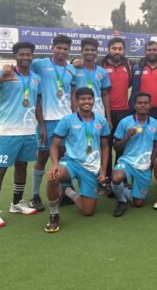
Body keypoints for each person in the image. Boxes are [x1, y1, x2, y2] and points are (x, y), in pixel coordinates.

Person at [0, 42, 42, 227]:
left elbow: (37, 104)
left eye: (29, 54)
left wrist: (42, 127)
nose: (26, 57)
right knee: (0, 169)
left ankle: (16, 203)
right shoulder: (4, 73)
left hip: (29, 131)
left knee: (21, 167)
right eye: (22, 54)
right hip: (7, 131)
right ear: (15, 56)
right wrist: (1, 80)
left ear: (32, 56)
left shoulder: (36, 78)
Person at [44, 87, 110, 232]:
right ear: (77, 101)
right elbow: (54, 146)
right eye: (83, 99)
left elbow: (105, 147)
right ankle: (54, 214)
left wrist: (104, 171)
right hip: (71, 163)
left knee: (87, 211)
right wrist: (55, 164)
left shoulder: (101, 120)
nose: (86, 102)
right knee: (53, 176)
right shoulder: (67, 120)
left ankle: (68, 191)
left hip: (90, 168)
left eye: (89, 98)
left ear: (94, 100)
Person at [29, 34, 76, 211]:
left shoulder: (71, 69)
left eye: (65, 49)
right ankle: (35, 195)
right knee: (42, 157)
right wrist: (41, 125)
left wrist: (74, 118)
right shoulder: (40, 64)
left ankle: (65, 191)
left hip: (66, 121)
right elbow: (21, 65)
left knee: (65, 156)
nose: (62, 51)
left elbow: (72, 95)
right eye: (59, 48)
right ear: (52, 48)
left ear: (69, 51)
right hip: (47, 121)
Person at [110, 92, 157, 217]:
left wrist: (151, 162)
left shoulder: (155, 123)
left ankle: (125, 190)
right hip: (127, 161)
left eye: (145, 103)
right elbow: (116, 146)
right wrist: (127, 137)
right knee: (116, 178)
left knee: (138, 203)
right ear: (134, 105)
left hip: (144, 165)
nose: (142, 105)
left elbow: (155, 145)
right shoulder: (125, 122)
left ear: (150, 105)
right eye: (140, 103)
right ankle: (121, 200)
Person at [99, 37, 134, 186]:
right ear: (109, 49)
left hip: (124, 112)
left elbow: (130, 83)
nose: (117, 51)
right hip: (105, 113)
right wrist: (75, 61)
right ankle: (106, 178)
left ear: (124, 50)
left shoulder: (129, 65)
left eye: (120, 49)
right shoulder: (100, 64)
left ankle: (120, 178)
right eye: (114, 48)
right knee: (105, 146)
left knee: (122, 146)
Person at [130, 40, 157, 120]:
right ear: (145, 52)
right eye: (149, 50)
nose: (152, 52)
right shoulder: (137, 68)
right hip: (141, 111)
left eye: (154, 50)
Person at [75, 38, 112, 122]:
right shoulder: (74, 69)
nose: (90, 52)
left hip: (98, 112)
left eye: (93, 50)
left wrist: (109, 118)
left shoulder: (102, 72)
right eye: (86, 50)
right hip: (79, 111)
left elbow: (105, 95)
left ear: (97, 52)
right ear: (81, 51)